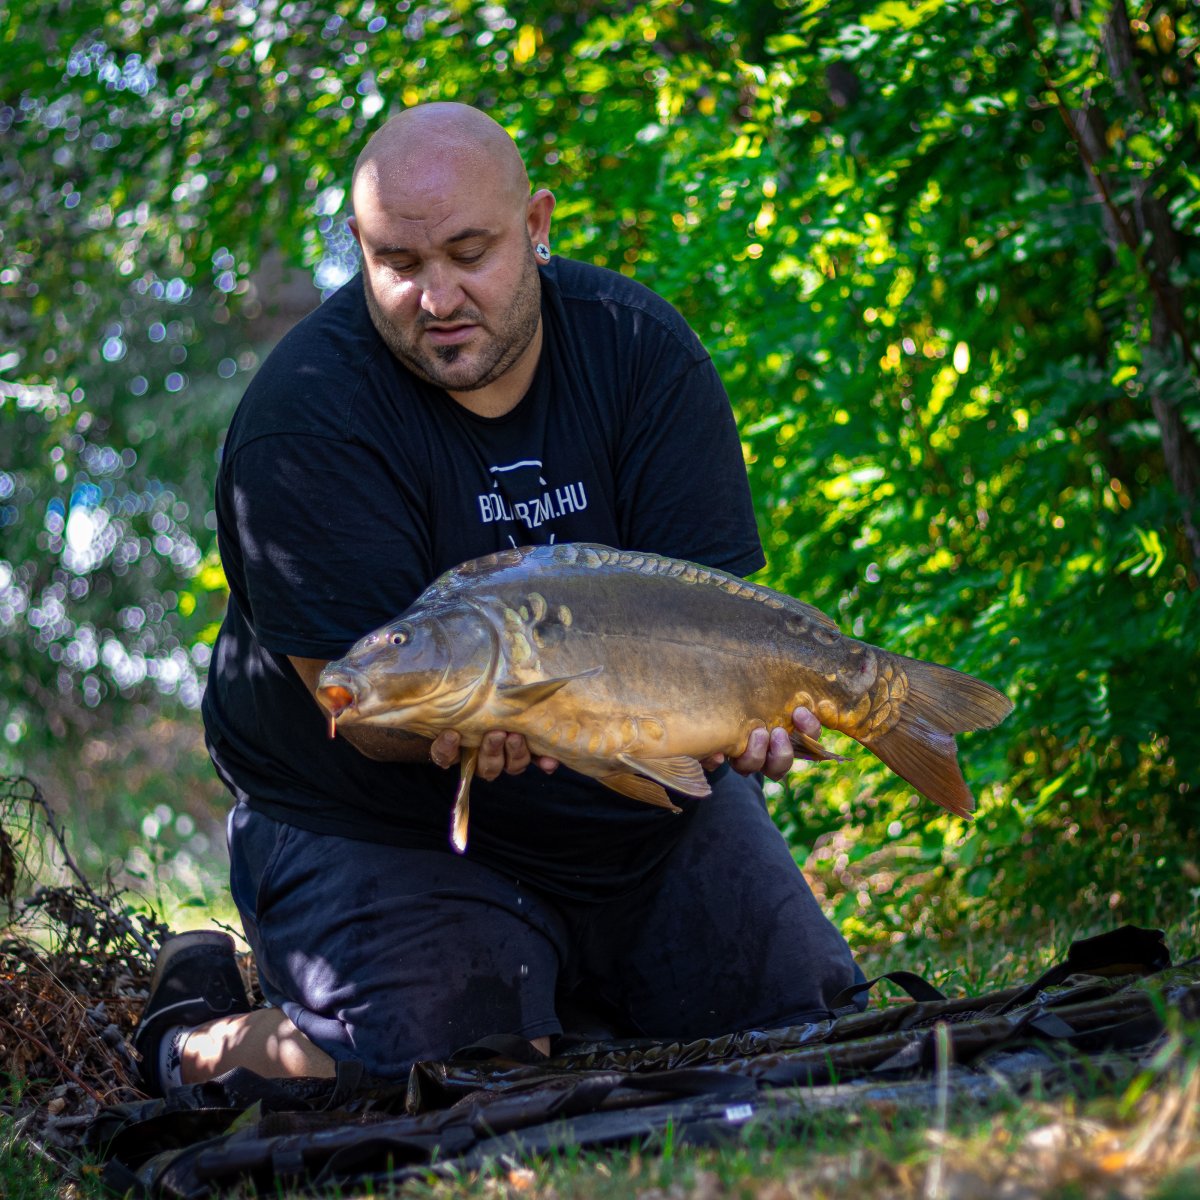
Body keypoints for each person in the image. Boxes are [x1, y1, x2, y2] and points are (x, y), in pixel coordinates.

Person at [132, 102, 864, 1094]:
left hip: (628, 809)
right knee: (441, 1075)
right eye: (400, 263)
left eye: (470, 253)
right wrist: (480, 717)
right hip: (374, 820)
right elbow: (359, 712)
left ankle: (569, 994)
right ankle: (192, 1037)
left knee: (807, 1023)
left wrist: (748, 719)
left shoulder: (640, 353)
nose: (438, 297)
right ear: (357, 247)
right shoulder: (301, 422)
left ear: (537, 227)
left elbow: (712, 628)